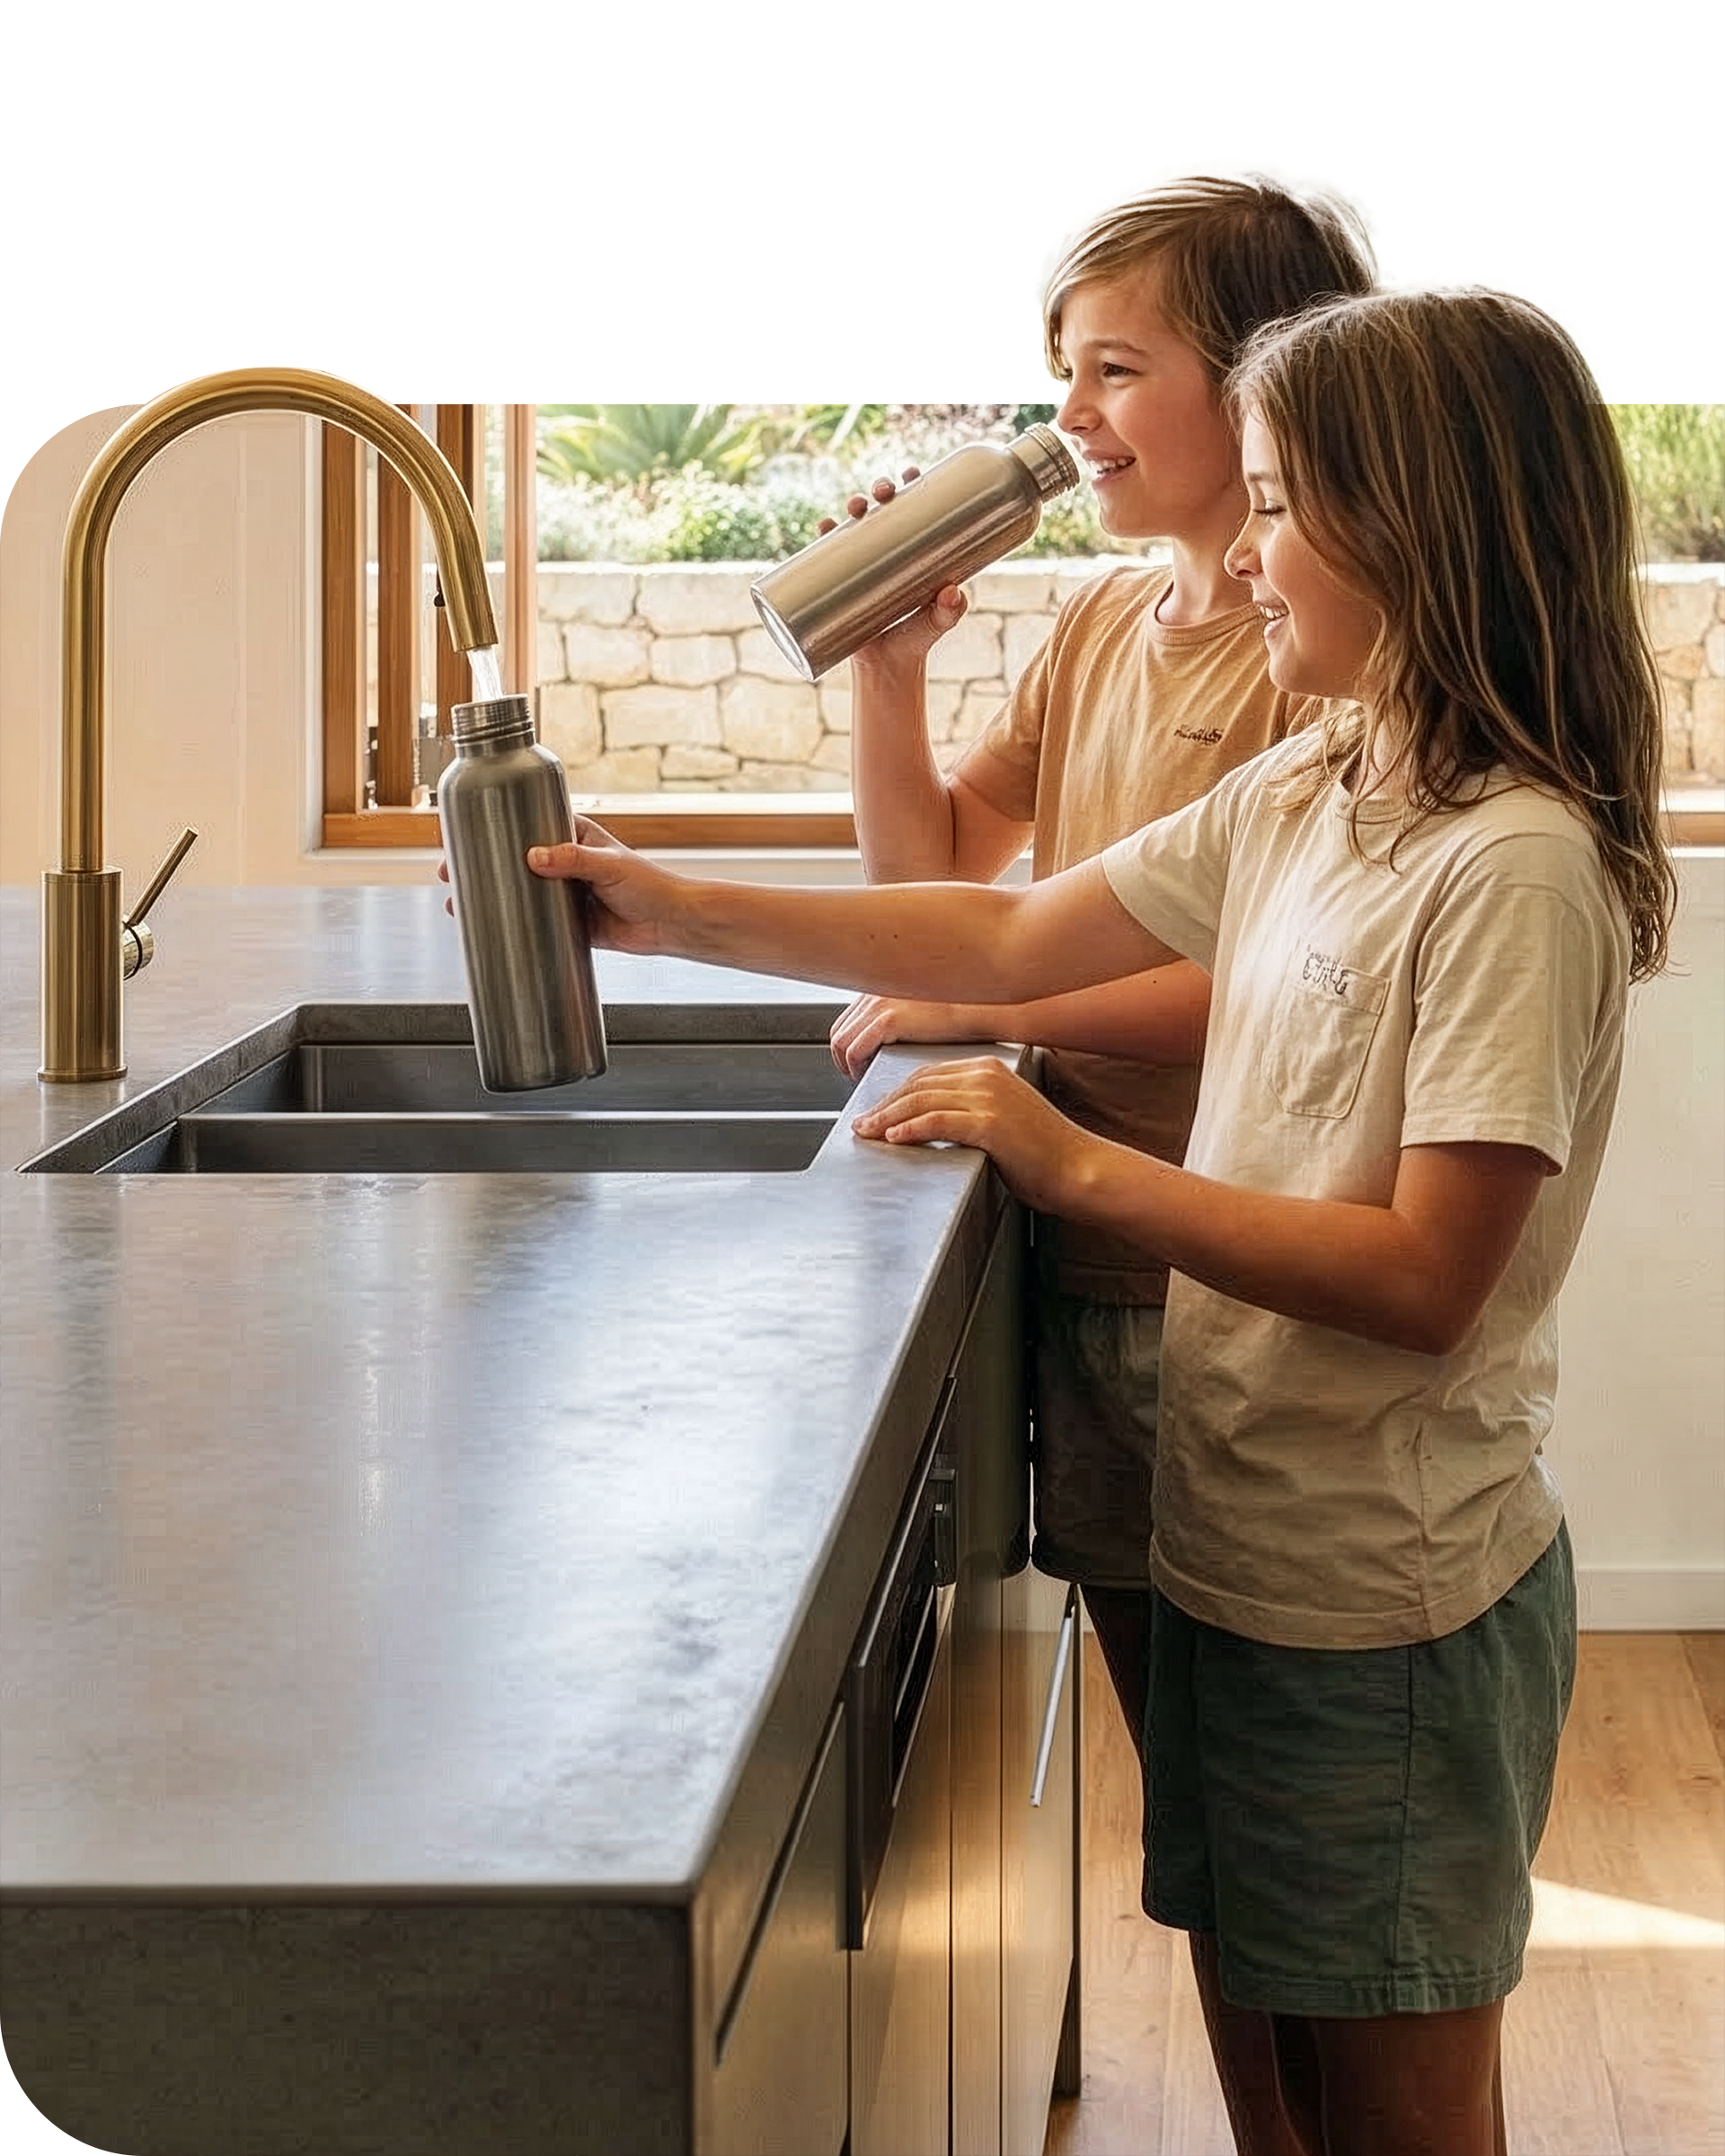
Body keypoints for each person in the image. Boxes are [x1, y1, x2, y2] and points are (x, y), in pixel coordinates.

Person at [522, 277, 1677, 2154]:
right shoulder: (1331, 779)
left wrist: (1077, 1164)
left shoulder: (1513, 869)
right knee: (1288, 2055)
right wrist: (669, 911)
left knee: (1396, 2098)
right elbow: (1003, 930)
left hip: (1380, 1601)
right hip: (1258, 1549)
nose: (1247, 555)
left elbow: (1426, 1279)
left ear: (1424, 532)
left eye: (1288, 506)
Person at [827, 160, 1386, 1763]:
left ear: (1272, 373)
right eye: (1065, 370)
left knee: (1269, 1790)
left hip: (1212, 1270)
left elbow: (1269, 982)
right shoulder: (1094, 626)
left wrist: (990, 997)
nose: (1072, 413)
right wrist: (888, 671)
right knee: (1197, 1814)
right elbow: (931, 882)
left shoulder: (1325, 669)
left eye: (1117, 370)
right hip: (1081, 1259)